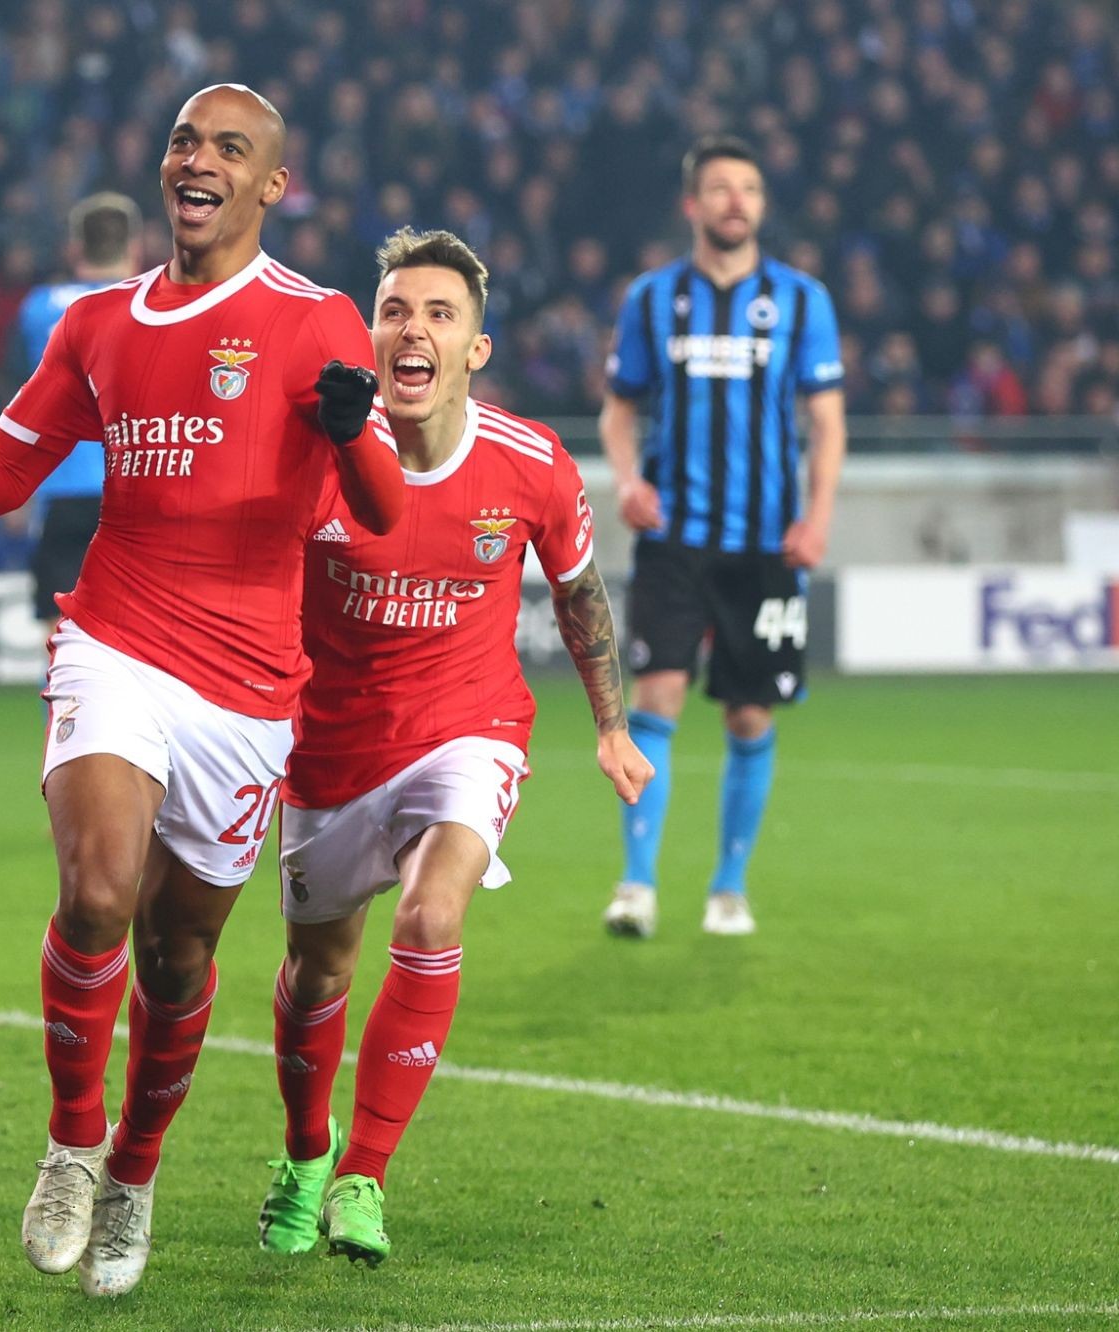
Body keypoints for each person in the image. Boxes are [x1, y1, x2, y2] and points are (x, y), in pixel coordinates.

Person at [0, 85, 404, 1298]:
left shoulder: (316, 318)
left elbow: (376, 514)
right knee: (98, 891)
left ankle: (134, 1170)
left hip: (247, 687)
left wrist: (354, 432)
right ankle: (71, 1140)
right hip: (114, 638)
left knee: (178, 959)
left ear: (271, 185)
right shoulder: (97, 322)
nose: (197, 160)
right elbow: (5, 468)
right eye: (182, 140)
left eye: (228, 148)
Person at [256, 228, 653, 1266]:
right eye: (393, 311)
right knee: (316, 970)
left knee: (432, 913)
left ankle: (363, 1175)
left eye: (439, 314)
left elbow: (578, 592)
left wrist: (609, 725)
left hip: (467, 727)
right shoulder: (315, 451)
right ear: (368, 335)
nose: (412, 330)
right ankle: (304, 1154)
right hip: (329, 747)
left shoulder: (530, 461)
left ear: (475, 348)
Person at [599, 135, 846, 939]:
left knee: (749, 717)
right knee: (656, 698)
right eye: (719, 187)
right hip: (674, 539)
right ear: (692, 204)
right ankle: (637, 885)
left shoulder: (802, 301)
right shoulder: (652, 298)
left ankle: (729, 888)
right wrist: (627, 481)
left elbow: (827, 421)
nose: (736, 200)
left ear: (762, 205)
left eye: (749, 188)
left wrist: (817, 518)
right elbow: (619, 408)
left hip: (767, 545)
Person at [17, 192, 142, 631]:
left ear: (74, 248)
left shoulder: (38, 308)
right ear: (135, 247)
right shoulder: (161, 304)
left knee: (59, 626)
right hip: (139, 483)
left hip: (63, 484)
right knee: (140, 626)